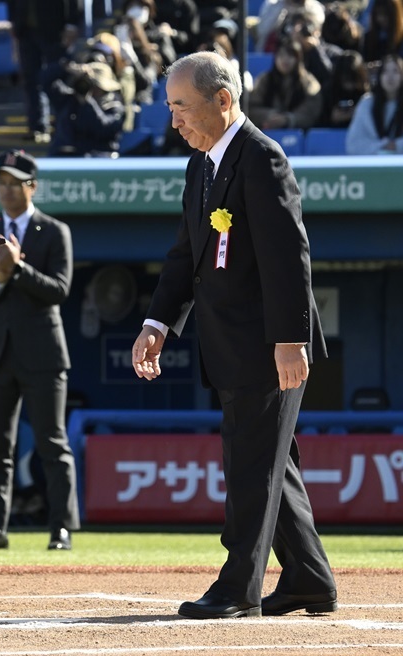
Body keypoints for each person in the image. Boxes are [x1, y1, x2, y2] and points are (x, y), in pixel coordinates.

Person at [131, 51, 336, 620]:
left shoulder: (262, 158)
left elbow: (288, 257)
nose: (174, 122)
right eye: (170, 108)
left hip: (268, 349)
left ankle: (237, 585)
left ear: (223, 100)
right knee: (271, 464)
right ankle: (309, 580)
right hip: (230, 346)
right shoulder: (201, 164)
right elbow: (185, 257)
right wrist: (156, 323)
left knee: (250, 466)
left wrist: (290, 340)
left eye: (181, 108)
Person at [0, 149, 80, 551]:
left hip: (43, 352)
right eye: (2, 183)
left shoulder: (54, 230)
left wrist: (18, 269)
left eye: (15, 183)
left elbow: (60, 290)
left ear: (32, 186)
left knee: (52, 442)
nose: (7, 190)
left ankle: (60, 528)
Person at [6, 0, 81, 144]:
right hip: (25, 30)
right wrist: (13, 22)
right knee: (30, 80)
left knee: (58, 79)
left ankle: (64, 126)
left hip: (54, 29)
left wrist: (72, 24)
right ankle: (37, 127)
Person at [248, 38, 323, 130]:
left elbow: (312, 110)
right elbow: (251, 107)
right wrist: (270, 115)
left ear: (298, 59)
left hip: (299, 133)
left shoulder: (309, 82)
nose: (285, 60)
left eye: (290, 55)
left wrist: (288, 119)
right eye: (281, 55)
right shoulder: (264, 80)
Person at [345, 53, 403, 153]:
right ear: (379, 76)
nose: (390, 77)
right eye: (385, 72)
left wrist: (396, 145)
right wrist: (381, 146)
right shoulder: (366, 104)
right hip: (373, 164)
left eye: (395, 71)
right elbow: (353, 144)